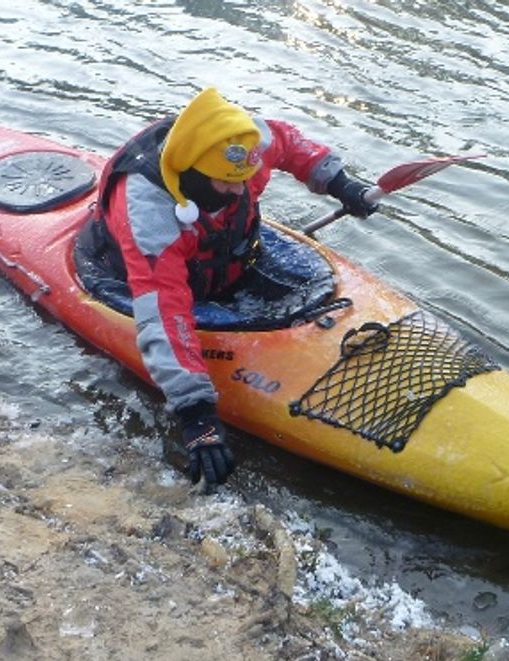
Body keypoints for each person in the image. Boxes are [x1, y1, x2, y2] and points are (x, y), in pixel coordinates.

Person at [75, 87, 377, 491]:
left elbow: (286, 141)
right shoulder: (149, 215)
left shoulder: (242, 145)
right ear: (195, 175)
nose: (240, 191)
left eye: (245, 181)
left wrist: (339, 183)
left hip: (224, 262)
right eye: (227, 185)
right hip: (136, 276)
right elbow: (165, 312)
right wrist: (196, 414)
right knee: (175, 304)